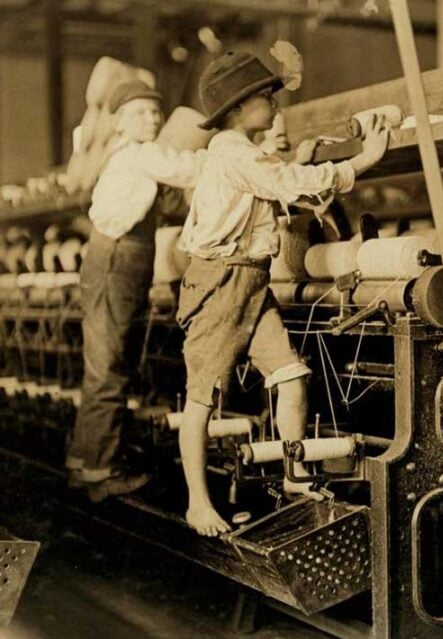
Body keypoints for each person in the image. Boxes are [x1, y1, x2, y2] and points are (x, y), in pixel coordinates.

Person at [177, 51, 389, 536]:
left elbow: (288, 184)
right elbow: (289, 182)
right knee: (202, 399)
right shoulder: (234, 151)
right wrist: (363, 160)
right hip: (220, 282)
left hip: (251, 280)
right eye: (265, 97)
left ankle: (294, 476)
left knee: (291, 375)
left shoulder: (244, 153)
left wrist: (313, 165)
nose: (275, 105)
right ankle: (196, 503)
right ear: (236, 109)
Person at [67, 80, 205, 501]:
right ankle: (101, 474)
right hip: (117, 263)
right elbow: (190, 169)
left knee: (106, 364)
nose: (152, 118)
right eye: (141, 112)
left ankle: (84, 459)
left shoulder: (129, 158)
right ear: (120, 122)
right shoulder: (140, 154)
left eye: (154, 111)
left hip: (115, 261)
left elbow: (168, 205)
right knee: (109, 366)